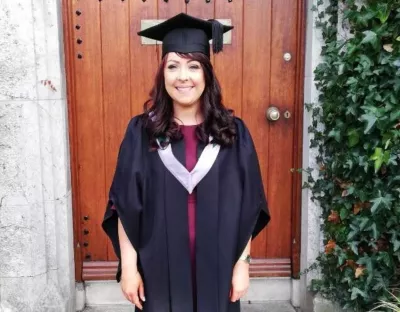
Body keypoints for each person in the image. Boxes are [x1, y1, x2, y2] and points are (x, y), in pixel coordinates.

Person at [102, 13, 270, 312]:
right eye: (173, 66)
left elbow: (248, 204)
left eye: (193, 66)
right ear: (162, 74)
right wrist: (129, 268)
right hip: (158, 270)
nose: (183, 77)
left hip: (219, 268)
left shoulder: (233, 133)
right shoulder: (141, 132)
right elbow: (124, 204)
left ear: (206, 74)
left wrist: (242, 264)